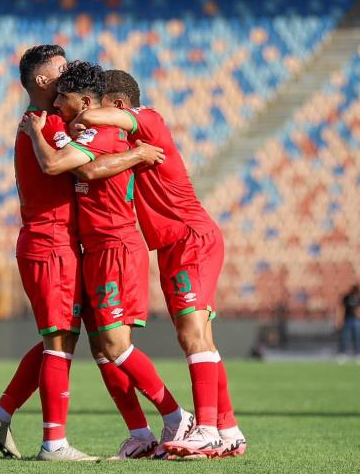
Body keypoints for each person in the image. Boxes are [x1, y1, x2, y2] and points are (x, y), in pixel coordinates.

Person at [0, 46, 163, 462]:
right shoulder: (43, 123)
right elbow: (67, 166)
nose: (66, 73)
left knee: (64, 339)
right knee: (59, 342)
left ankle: (2, 412)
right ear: (42, 81)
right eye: (59, 69)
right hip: (52, 243)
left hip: (63, 245)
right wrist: (136, 148)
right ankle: (54, 442)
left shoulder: (49, 121)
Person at [67, 69, 246, 459]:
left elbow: (102, 119)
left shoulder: (148, 119)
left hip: (188, 238)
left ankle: (207, 430)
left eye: (101, 104)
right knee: (202, 337)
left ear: (116, 104)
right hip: (174, 244)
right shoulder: (126, 140)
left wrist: (81, 112)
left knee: (191, 334)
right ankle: (228, 428)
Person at [22, 61, 194, 460]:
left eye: (63, 99)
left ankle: (175, 415)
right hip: (95, 250)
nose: (58, 106)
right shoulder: (82, 131)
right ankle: (140, 434)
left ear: (83, 100)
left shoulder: (101, 132)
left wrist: (37, 133)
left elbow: (65, 165)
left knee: (115, 345)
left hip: (116, 247)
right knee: (102, 349)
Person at [337, 285, 360, 356]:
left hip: (357, 320)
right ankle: (343, 352)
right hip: (347, 319)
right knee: (345, 337)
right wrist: (340, 320)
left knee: (359, 337)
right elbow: (342, 308)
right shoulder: (347, 298)